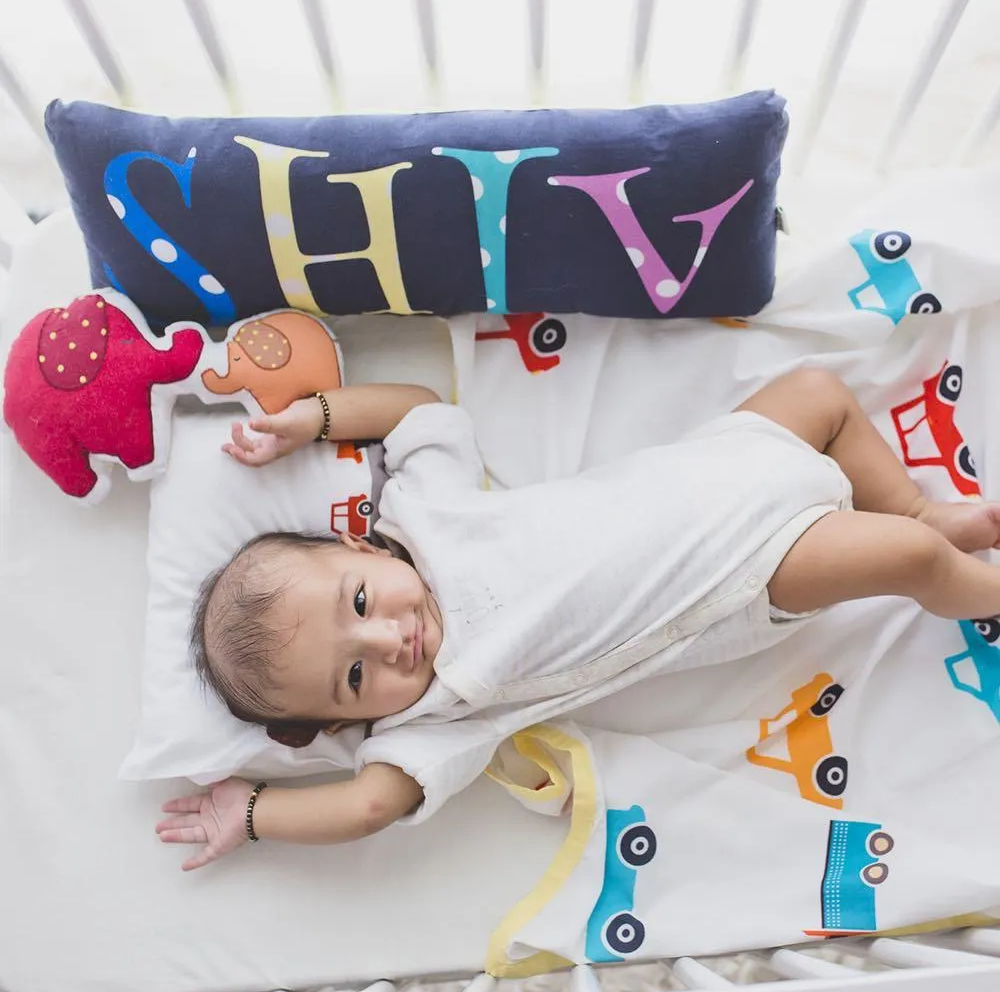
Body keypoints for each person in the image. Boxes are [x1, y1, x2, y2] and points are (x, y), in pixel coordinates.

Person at [157, 368, 1000, 870]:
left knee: (819, 394)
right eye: (353, 678)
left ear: (365, 550)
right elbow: (367, 807)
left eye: (361, 603)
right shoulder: (441, 710)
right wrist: (257, 812)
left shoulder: (423, 509)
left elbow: (418, 411)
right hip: (747, 572)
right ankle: (965, 573)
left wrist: (315, 415)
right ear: (351, 720)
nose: (389, 640)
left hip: (722, 462)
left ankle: (919, 512)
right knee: (911, 566)